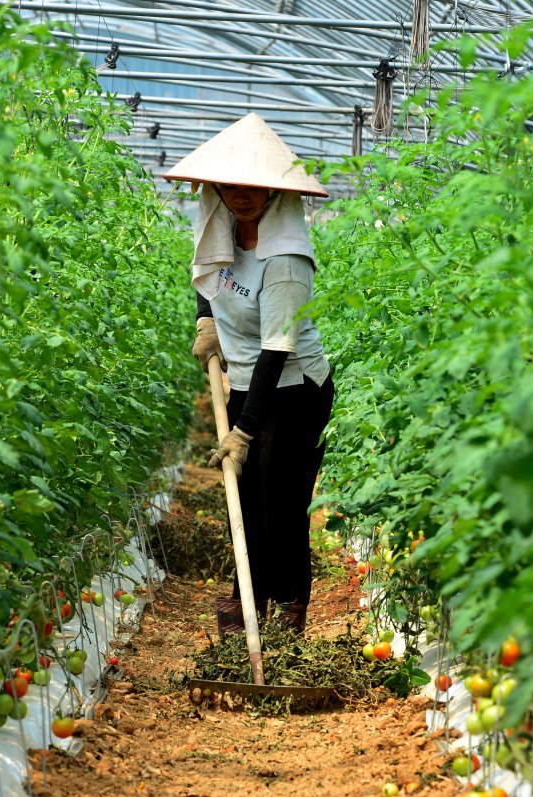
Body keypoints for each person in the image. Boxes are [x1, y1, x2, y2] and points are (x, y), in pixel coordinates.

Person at [163, 113, 335, 635]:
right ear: (217, 187)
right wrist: (206, 319)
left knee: (281, 504)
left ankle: (286, 614)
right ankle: (246, 605)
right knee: (249, 498)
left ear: (276, 194)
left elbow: (277, 349)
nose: (242, 195)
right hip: (247, 381)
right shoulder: (224, 232)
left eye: (255, 187)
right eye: (232, 185)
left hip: (293, 390)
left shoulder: (285, 261)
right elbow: (210, 273)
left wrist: (243, 429)